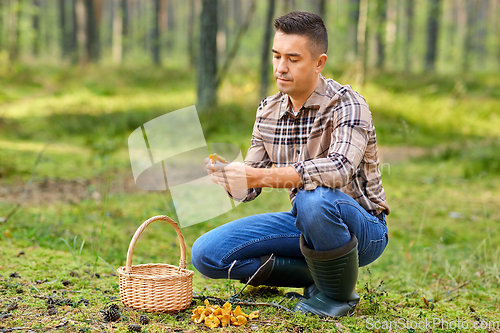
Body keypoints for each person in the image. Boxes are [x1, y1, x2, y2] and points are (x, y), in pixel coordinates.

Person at [191, 11, 390, 318]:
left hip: (362, 228)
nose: (281, 68)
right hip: (305, 221)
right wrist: (229, 177)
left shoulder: (348, 103)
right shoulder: (268, 111)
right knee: (208, 255)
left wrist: (257, 176)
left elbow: (338, 170)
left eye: (293, 59)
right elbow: (250, 187)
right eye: (276, 56)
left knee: (315, 197)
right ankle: (318, 276)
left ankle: (338, 297)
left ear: (319, 62)